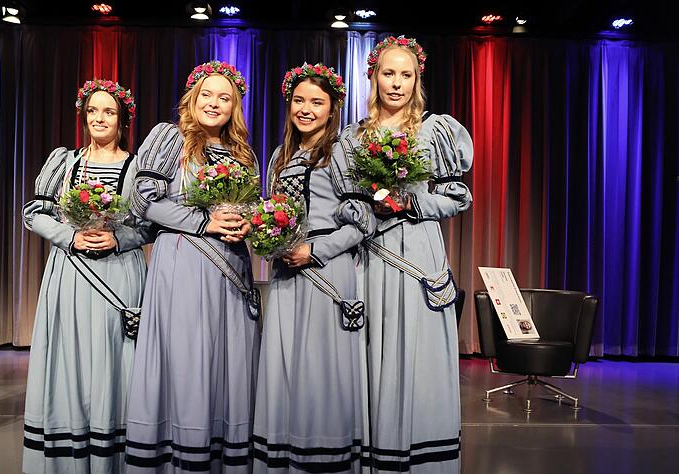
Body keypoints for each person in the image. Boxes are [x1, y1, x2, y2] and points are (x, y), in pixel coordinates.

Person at [342, 36, 474, 472]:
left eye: (405, 75)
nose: (396, 84)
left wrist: (411, 204)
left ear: (417, 79)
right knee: (372, 353)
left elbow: (459, 197)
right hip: (369, 255)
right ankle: (377, 451)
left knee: (417, 357)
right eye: (388, 73)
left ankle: (420, 457)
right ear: (373, 76)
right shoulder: (353, 137)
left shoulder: (434, 130)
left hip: (417, 254)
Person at [124, 61, 260, 472]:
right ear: (192, 99)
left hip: (231, 269)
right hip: (182, 263)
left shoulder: (242, 152)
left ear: (234, 106)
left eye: (224, 97)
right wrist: (204, 221)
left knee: (227, 359)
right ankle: (180, 454)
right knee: (186, 359)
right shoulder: (170, 138)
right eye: (207, 95)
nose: (214, 103)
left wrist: (247, 224)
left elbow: (251, 206)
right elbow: (143, 199)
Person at [252, 63, 376, 473]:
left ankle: (323, 459)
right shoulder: (280, 155)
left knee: (321, 370)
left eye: (316, 102)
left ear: (332, 108)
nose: (306, 109)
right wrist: (270, 244)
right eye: (299, 101)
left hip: (326, 271)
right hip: (287, 274)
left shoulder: (342, 150)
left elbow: (363, 220)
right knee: (286, 366)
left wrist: (316, 249)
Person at [22, 79, 149, 474]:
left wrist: (117, 238)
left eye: (108, 111)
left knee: (117, 361)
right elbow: (33, 213)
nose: (99, 118)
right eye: (93, 110)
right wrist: (71, 236)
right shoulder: (64, 163)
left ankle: (116, 457)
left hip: (119, 275)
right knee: (71, 358)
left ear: (122, 119)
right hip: (71, 275)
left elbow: (149, 227)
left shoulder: (136, 168)